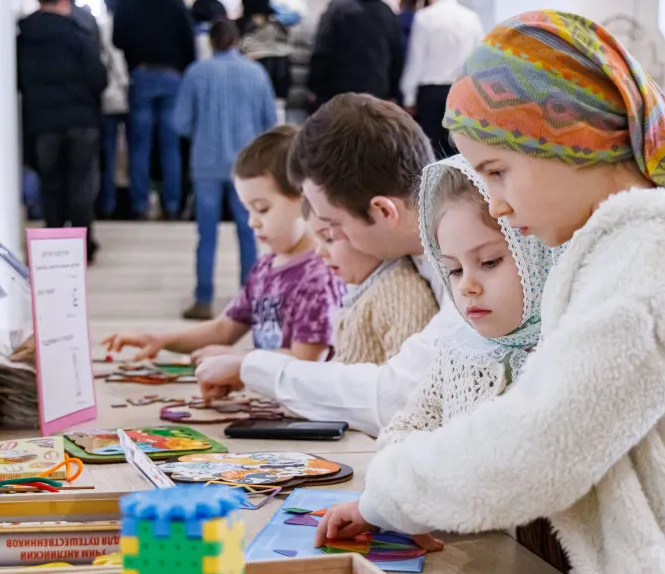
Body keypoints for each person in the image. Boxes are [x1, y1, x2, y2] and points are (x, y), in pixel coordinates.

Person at [313, 13, 665, 574]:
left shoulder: (659, 254)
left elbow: (542, 442)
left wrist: (384, 495)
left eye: (499, 171)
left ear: (567, 139)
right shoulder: (614, 252)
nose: (501, 207)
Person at [194, 94, 461, 436]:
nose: (323, 245)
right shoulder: (406, 254)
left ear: (382, 212)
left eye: (333, 227)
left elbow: (399, 397)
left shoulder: (462, 257)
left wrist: (254, 368)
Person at [103, 128, 345, 363]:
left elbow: (306, 361)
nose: (253, 222)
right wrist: (158, 340)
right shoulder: (265, 268)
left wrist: (240, 360)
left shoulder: (320, 275)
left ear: (305, 200)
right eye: (247, 210)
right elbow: (224, 329)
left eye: (262, 209)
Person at [379, 155, 560, 446]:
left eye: (489, 262)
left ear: (537, 255)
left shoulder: (565, 353)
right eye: (454, 269)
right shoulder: (457, 352)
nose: (466, 286)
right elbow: (400, 433)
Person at [174, 20, 278, 321]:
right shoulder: (255, 73)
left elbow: (180, 122)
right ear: (237, 41)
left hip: (205, 163)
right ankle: (249, 300)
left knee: (206, 233)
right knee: (249, 231)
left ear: (211, 43)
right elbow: (270, 121)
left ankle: (203, 299)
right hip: (246, 167)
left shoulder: (196, 73)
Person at [17, 0, 107, 263]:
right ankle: (81, 246)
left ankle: (54, 247)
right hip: (81, 121)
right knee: (81, 185)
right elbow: (98, 78)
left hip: (42, 123)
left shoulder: (23, 38)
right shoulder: (78, 35)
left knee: (51, 184)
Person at [305, 198, 438, 365]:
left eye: (329, 238)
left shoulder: (398, 292)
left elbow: (410, 378)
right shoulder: (361, 292)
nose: (319, 252)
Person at [113, 0, 196, 220]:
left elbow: (117, 39)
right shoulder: (176, 6)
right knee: (171, 146)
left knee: (140, 146)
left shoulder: (127, 6)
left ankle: (139, 205)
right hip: (172, 76)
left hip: (141, 74)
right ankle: (172, 205)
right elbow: (190, 44)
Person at [399, 0, 484, 159]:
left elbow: (416, 59)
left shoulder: (425, 17)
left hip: (430, 93)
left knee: (432, 152)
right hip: (461, 92)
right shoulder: (471, 18)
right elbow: (479, 61)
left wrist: (408, 98)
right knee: (460, 150)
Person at [307, 0, 404, 109]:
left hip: (338, 93)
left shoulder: (337, 9)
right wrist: (393, 93)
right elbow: (397, 56)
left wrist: (314, 87)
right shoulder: (387, 13)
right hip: (376, 92)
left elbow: (323, 52)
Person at [97, 1, 130, 219]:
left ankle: (108, 205)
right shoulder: (129, 24)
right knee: (136, 150)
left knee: (108, 153)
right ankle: (134, 204)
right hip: (128, 93)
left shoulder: (102, 27)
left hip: (107, 97)